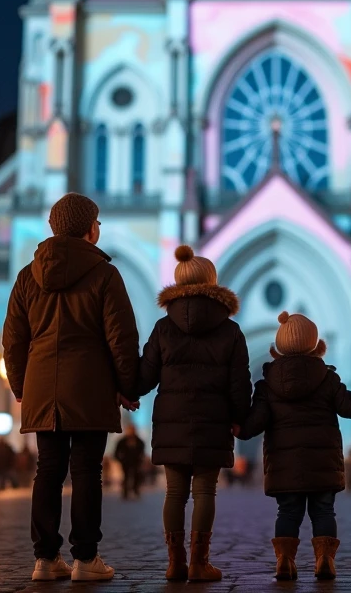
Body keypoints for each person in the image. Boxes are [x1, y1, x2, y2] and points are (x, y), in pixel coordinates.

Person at [2, 193, 139, 583]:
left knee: (47, 469)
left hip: (42, 387)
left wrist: (21, 386)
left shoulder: (27, 276)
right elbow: (121, 338)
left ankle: (45, 559)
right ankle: (85, 558)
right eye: (97, 223)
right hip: (90, 386)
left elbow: (13, 339)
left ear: (53, 228)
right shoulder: (104, 274)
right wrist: (127, 386)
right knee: (86, 470)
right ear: (90, 229)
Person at [239, 310, 351, 581]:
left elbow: (254, 423)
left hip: (285, 466)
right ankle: (325, 559)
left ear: (279, 346)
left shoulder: (267, 385)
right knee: (324, 511)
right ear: (315, 344)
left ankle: (284, 560)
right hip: (323, 463)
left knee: (287, 512)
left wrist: (236, 427)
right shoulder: (327, 379)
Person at [136, 246, 251, 583]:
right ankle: (200, 563)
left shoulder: (163, 327)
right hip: (213, 422)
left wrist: (126, 391)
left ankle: (175, 563)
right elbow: (239, 384)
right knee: (205, 492)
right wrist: (240, 418)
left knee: (174, 493)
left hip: (171, 423)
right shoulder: (231, 331)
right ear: (212, 283)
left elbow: (145, 376)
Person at [113, 425, 145, 501]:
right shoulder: (122, 441)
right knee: (126, 477)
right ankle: (125, 493)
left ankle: (135, 491)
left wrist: (140, 459)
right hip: (126, 462)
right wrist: (121, 460)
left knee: (136, 476)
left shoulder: (139, 441)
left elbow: (141, 452)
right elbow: (116, 453)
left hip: (135, 462)